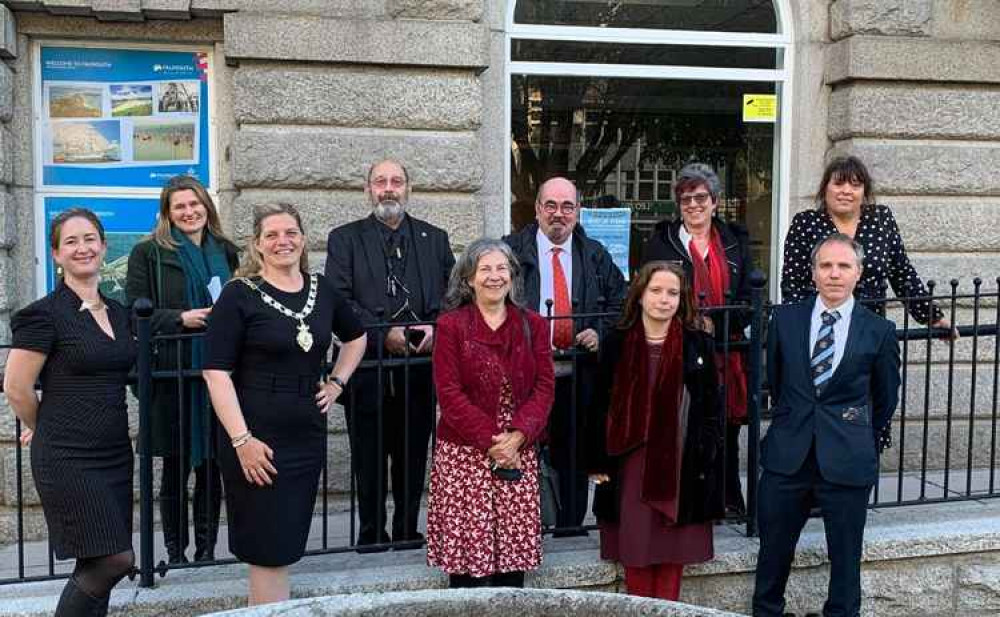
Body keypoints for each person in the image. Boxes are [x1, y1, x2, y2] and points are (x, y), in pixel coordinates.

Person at [202, 203, 367, 605]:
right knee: (267, 549)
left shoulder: (322, 289)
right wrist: (243, 442)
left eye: (290, 232)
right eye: (272, 235)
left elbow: (357, 337)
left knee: (287, 544)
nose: (283, 241)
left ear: (303, 238)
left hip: (305, 436)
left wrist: (337, 383)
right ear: (257, 246)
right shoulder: (238, 295)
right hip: (256, 438)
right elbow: (215, 373)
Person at [753, 233, 901, 616]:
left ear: (859, 273)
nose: (834, 274)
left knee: (846, 560)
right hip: (788, 457)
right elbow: (778, 381)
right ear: (814, 272)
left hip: (847, 460)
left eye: (843, 266)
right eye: (826, 266)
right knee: (772, 554)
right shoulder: (785, 320)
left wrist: (856, 433)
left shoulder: (879, 330)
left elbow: (885, 398)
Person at [4, 209, 136, 616]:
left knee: (96, 562)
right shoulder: (43, 314)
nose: (83, 248)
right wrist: (40, 427)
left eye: (90, 239)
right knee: (117, 560)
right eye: (72, 242)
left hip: (114, 451)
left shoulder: (117, 311)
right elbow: (16, 387)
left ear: (103, 245)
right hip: (67, 455)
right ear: (56, 254)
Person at [325, 159, 454, 550]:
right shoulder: (344, 239)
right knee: (369, 456)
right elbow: (338, 300)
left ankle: (406, 530)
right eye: (380, 181)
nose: (388, 188)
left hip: (419, 367)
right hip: (366, 368)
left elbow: (454, 298)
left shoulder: (435, 238)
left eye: (396, 181)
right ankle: (371, 534)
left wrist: (436, 330)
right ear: (368, 189)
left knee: (414, 453)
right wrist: (384, 336)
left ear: (408, 188)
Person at [586, 261, 724, 600]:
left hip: (680, 461)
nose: (664, 299)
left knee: (671, 549)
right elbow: (597, 406)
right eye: (656, 290)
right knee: (636, 545)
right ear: (640, 294)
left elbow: (711, 408)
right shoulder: (616, 343)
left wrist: (707, 454)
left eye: (673, 293)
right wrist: (596, 462)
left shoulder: (698, 344)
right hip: (629, 460)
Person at [426, 238, 555, 587]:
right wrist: (492, 442)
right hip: (464, 457)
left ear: (512, 276)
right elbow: (449, 394)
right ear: (468, 278)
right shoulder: (451, 326)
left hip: (517, 452)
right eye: (485, 269)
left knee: (511, 566)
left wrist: (517, 438)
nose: (494, 277)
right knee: (466, 566)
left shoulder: (533, 325)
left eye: (502, 268)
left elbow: (544, 388)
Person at [125, 175, 239, 564]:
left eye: (195, 204)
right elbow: (134, 313)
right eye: (180, 207)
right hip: (173, 374)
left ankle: (207, 549)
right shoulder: (149, 253)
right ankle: (175, 552)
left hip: (218, 370)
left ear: (207, 207)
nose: (189, 212)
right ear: (167, 214)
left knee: (212, 465)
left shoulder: (226, 251)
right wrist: (180, 318)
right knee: (174, 468)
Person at [503, 176, 627, 534]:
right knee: (523, 449)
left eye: (567, 207)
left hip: (578, 372)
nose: (559, 214)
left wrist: (600, 332)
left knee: (574, 456)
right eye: (551, 206)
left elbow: (621, 305)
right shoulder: (510, 252)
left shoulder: (595, 254)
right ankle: (524, 529)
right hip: (525, 373)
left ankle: (571, 528)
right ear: (538, 209)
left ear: (577, 212)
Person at [642, 162, 752, 516]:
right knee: (687, 425)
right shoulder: (662, 242)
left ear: (715, 201)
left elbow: (751, 293)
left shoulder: (734, 241)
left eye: (701, 197)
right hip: (681, 346)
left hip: (726, 348)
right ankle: (689, 500)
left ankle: (729, 499)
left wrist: (723, 323)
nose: (693, 205)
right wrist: (690, 322)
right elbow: (649, 292)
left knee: (727, 429)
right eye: (685, 198)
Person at [781, 155, 950, 331]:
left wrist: (932, 316)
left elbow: (902, 273)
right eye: (838, 184)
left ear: (864, 192)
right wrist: (795, 331)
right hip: (821, 327)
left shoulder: (880, 219)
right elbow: (793, 282)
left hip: (871, 327)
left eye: (855, 185)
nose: (846, 191)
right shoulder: (806, 223)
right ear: (825, 189)